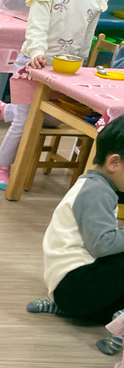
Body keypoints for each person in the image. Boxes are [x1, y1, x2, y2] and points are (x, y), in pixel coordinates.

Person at [0, 0, 108, 189]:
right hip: (33, 62)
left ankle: (3, 110)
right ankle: (2, 167)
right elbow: (36, 26)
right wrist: (37, 51)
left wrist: (81, 60)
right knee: (24, 120)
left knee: (53, 118)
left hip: (64, 67)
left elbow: (88, 33)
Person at [26, 115, 124, 355]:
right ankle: (120, 324)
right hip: (75, 287)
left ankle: (67, 308)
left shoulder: (97, 184)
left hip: (68, 289)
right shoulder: (96, 192)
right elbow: (102, 245)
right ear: (114, 162)